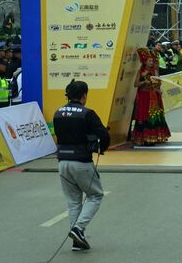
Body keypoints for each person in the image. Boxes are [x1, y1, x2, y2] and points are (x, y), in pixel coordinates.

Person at [53, 80, 110, 252]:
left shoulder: (58, 113)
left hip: (62, 162)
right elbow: (103, 135)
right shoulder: (87, 113)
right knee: (95, 195)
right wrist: (102, 147)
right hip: (82, 162)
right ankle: (78, 229)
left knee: (73, 202)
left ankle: (77, 241)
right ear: (84, 95)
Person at [130, 48, 171, 146]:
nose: (151, 62)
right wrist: (144, 82)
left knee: (153, 116)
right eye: (150, 61)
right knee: (143, 116)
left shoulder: (154, 71)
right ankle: (144, 138)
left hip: (153, 97)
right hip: (144, 97)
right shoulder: (141, 71)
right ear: (145, 61)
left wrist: (157, 88)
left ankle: (154, 137)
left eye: (152, 61)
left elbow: (158, 83)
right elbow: (135, 84)